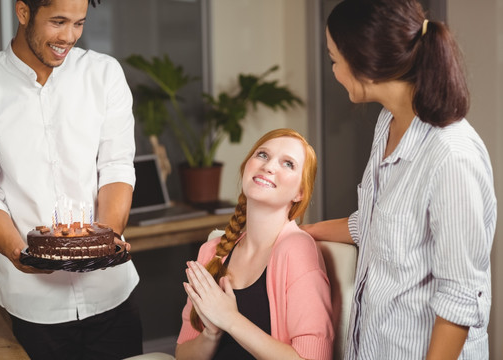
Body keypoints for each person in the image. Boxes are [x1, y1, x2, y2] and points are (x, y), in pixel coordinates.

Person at [302, 0, 496, 359]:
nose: (333, 71)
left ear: (366, 65)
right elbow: (376, 226)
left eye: (334, 60)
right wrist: (300, 234)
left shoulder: (451, 156)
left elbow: (459, 301)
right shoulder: (388, 124)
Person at [0, 0, 143, 358]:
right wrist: (18, 251)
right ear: (23, 12)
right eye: (58, 22)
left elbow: (117, 167)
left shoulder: (104, 74)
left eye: (79, 24)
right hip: (33, 305)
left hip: (112, 292)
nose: (69, 36)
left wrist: (100, 244)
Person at [176, 128, 334, 360]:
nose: (269, 166)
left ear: (300, 192)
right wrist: (211, 333)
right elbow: (183, 354)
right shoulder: (211, 251)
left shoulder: (298, 249)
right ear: (246, 167)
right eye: (262, 155)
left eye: (288, 163)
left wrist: (230, 319)